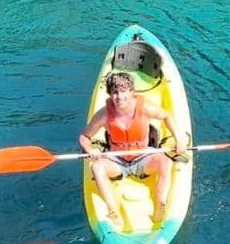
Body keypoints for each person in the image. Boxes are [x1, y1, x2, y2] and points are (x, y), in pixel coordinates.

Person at [78, 71, 188, 227]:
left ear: (131, 92)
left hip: (143, 158)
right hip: (117, 161)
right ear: (110, 94)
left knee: (165, 161)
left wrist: (179, 137)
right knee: (96, 167)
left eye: (123, 91)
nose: (119, 97)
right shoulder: (103, 115)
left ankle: (160, 203)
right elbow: (84, 137)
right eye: (115, 92)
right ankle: (113, 210)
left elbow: (166, 116)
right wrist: (90, 149)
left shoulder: (146, 108)